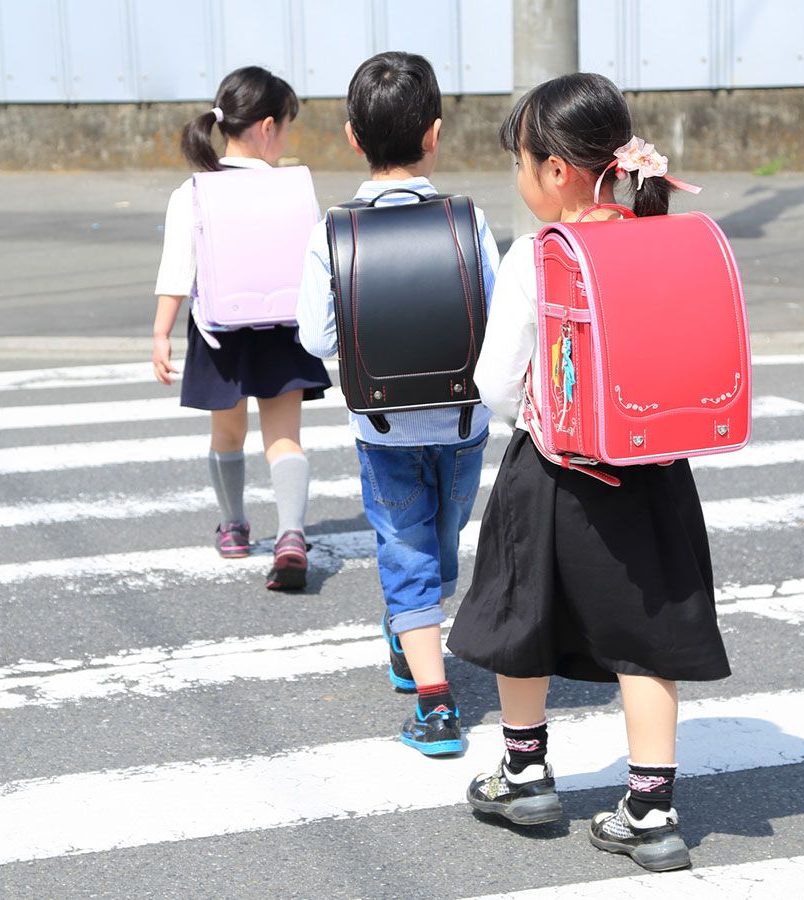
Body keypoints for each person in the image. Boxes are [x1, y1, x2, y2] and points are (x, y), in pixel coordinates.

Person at [447, 72, 730, 872]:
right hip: (654, 470)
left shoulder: (542, 256)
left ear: (558, 171)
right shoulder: (661, 233)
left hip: (556, 472)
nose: (519, 178)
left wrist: (535, 413)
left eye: (521, 162)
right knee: (645, 641)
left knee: (520, 615)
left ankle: (525, 771)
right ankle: (650, 806)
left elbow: (497, 381)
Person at [296, 51, 499, 756]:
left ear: (353, 137)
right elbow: (496, 319)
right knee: (440, 544)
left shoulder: (334, 231)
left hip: (382, 427)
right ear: (435, 134)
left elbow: (315, 334)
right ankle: (427, 666)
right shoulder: (466, 221)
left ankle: (432, 704)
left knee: (407, 547)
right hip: (465, 419)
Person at [153, 66, 331, 591]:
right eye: (289, 129)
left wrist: (160, 333)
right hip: (283, 327)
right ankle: (292, 534)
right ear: (269, 126)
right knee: (284, 439)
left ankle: (233, 528)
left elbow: (176, 270)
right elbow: (316, 261)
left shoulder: (193, 192)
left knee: (226, 434)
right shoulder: (293, 188)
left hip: (218, 331)